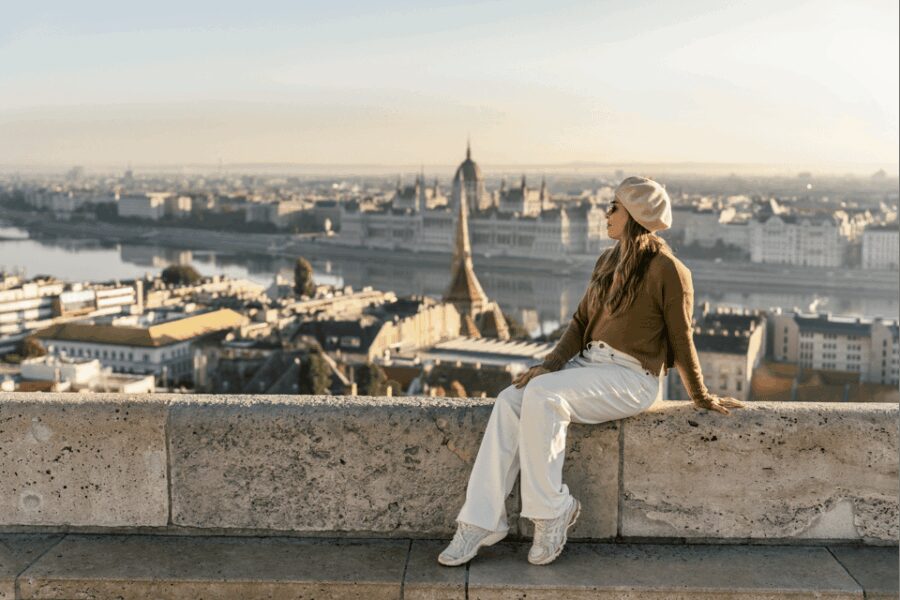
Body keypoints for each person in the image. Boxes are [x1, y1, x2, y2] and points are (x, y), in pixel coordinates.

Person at [437, 176, 746, 568]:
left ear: (634, 215)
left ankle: (552, 512)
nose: (607, 213)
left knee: (545, 396)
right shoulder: (607, 261)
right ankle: (480, 521)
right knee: (510, 400)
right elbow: (581, 321)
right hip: (590, 366)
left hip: (633, 377)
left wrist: (701, 395)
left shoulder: (670, 270)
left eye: (614, 207)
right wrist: (547, 365)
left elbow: (681, 338)